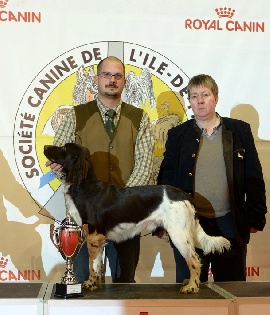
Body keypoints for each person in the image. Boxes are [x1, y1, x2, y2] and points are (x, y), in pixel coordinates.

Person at [46, 56, 155, 283]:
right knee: (81, 282)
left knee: (124, 284)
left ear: (125, 81)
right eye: (106, 75)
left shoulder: (140, 118)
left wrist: (121, 205)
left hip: (124, 217)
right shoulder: (75, 116)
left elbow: (144, 166)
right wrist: (59, 170)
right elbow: (61, 162)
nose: (112, 80)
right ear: (96, 79)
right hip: (82, 216)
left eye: (117, 76)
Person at [157, 74, 267, 283]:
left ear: (215, 98)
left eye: (205, 95)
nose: (200, 100)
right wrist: (161, 222)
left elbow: (253, 176)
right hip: (187, 226)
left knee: (232, 291)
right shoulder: (177, 135)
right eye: (194, 96)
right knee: (191, 291)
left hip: (229, 224)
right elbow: (166, 179)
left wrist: (255, 216)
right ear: (189, 102)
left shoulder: (239, 130)